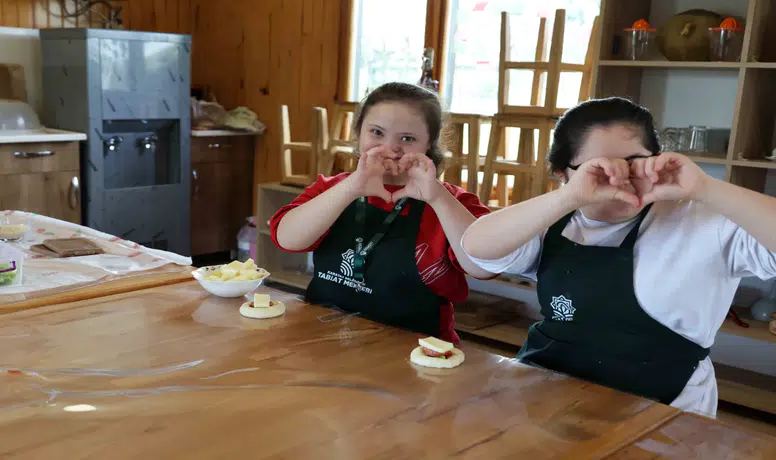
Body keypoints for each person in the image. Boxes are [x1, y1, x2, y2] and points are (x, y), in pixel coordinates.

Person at [461, 97, 776, 418]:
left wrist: (705, 188)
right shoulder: (552, 219)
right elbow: (477, 248)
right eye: (598, 169)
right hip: (547, 398)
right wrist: (568, 197)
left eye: (634, 163)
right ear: (562, 173)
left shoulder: (703, 223)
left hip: (662, 413)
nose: (619, 180)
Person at [270, 82, 494, 344]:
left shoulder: (454, 201)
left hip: (417, 350)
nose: (390, 148)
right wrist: (352, 187)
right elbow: (287, 239)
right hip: (323, 340)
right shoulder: (331, 189)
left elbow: (484, 266)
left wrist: (437, 198)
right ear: (358, 133)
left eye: (407, 139)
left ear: (429, 144)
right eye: (377, 132)